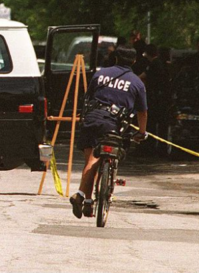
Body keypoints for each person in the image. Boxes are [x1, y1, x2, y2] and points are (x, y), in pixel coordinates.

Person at [70, 45, 148, 218]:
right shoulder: (136, 82)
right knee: (96, 159)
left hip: (92, 119)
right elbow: (142, 112)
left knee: (90, 160)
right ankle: (82, 195)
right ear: (134, 61)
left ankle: (88, 202)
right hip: (112, 124)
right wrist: (142, 132)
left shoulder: (100, 74)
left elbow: (88, 97)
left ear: (115, 58)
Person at [140, 44, 170, 139]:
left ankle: (149, 146)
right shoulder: (165, 64)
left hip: (154, 98)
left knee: (151, 122)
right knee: (162, 124)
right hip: (163, 97)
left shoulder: (154, 64)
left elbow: (142, 77)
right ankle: (162, 148)